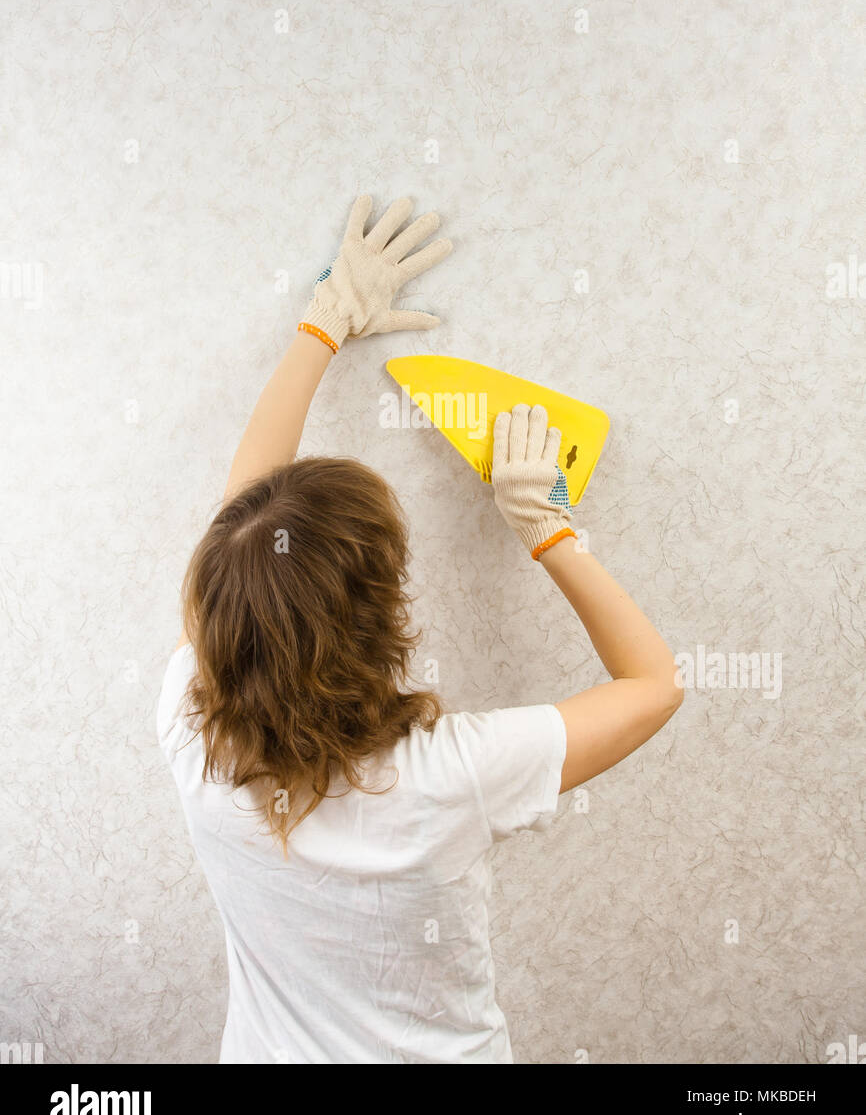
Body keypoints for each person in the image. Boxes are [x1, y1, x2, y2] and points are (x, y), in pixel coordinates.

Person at [157, 194, 683, 1064]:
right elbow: (655, 686)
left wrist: (319, 328)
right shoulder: (450, 778)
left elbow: (243, 535)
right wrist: (549, 532)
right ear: (385, 622)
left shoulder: (188, 721)